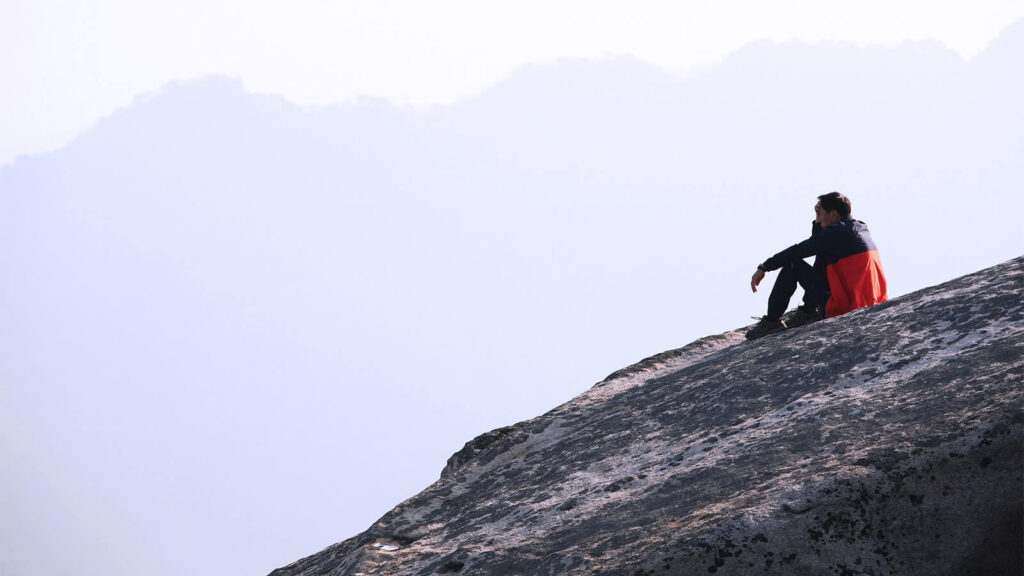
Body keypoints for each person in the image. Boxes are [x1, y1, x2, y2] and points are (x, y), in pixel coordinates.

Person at [746, 192, 888, 340]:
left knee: (793, 265)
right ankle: (808, 311)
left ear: (833, 214)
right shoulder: (859, 227)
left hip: (847, 306)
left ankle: (771, 321)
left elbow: (799, 250)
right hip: (870, 301)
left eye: (823, 213)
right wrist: (818, 220)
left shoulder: (837, 233)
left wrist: (764, 267)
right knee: (823, 254)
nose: (820, 220)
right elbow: (818, 244)